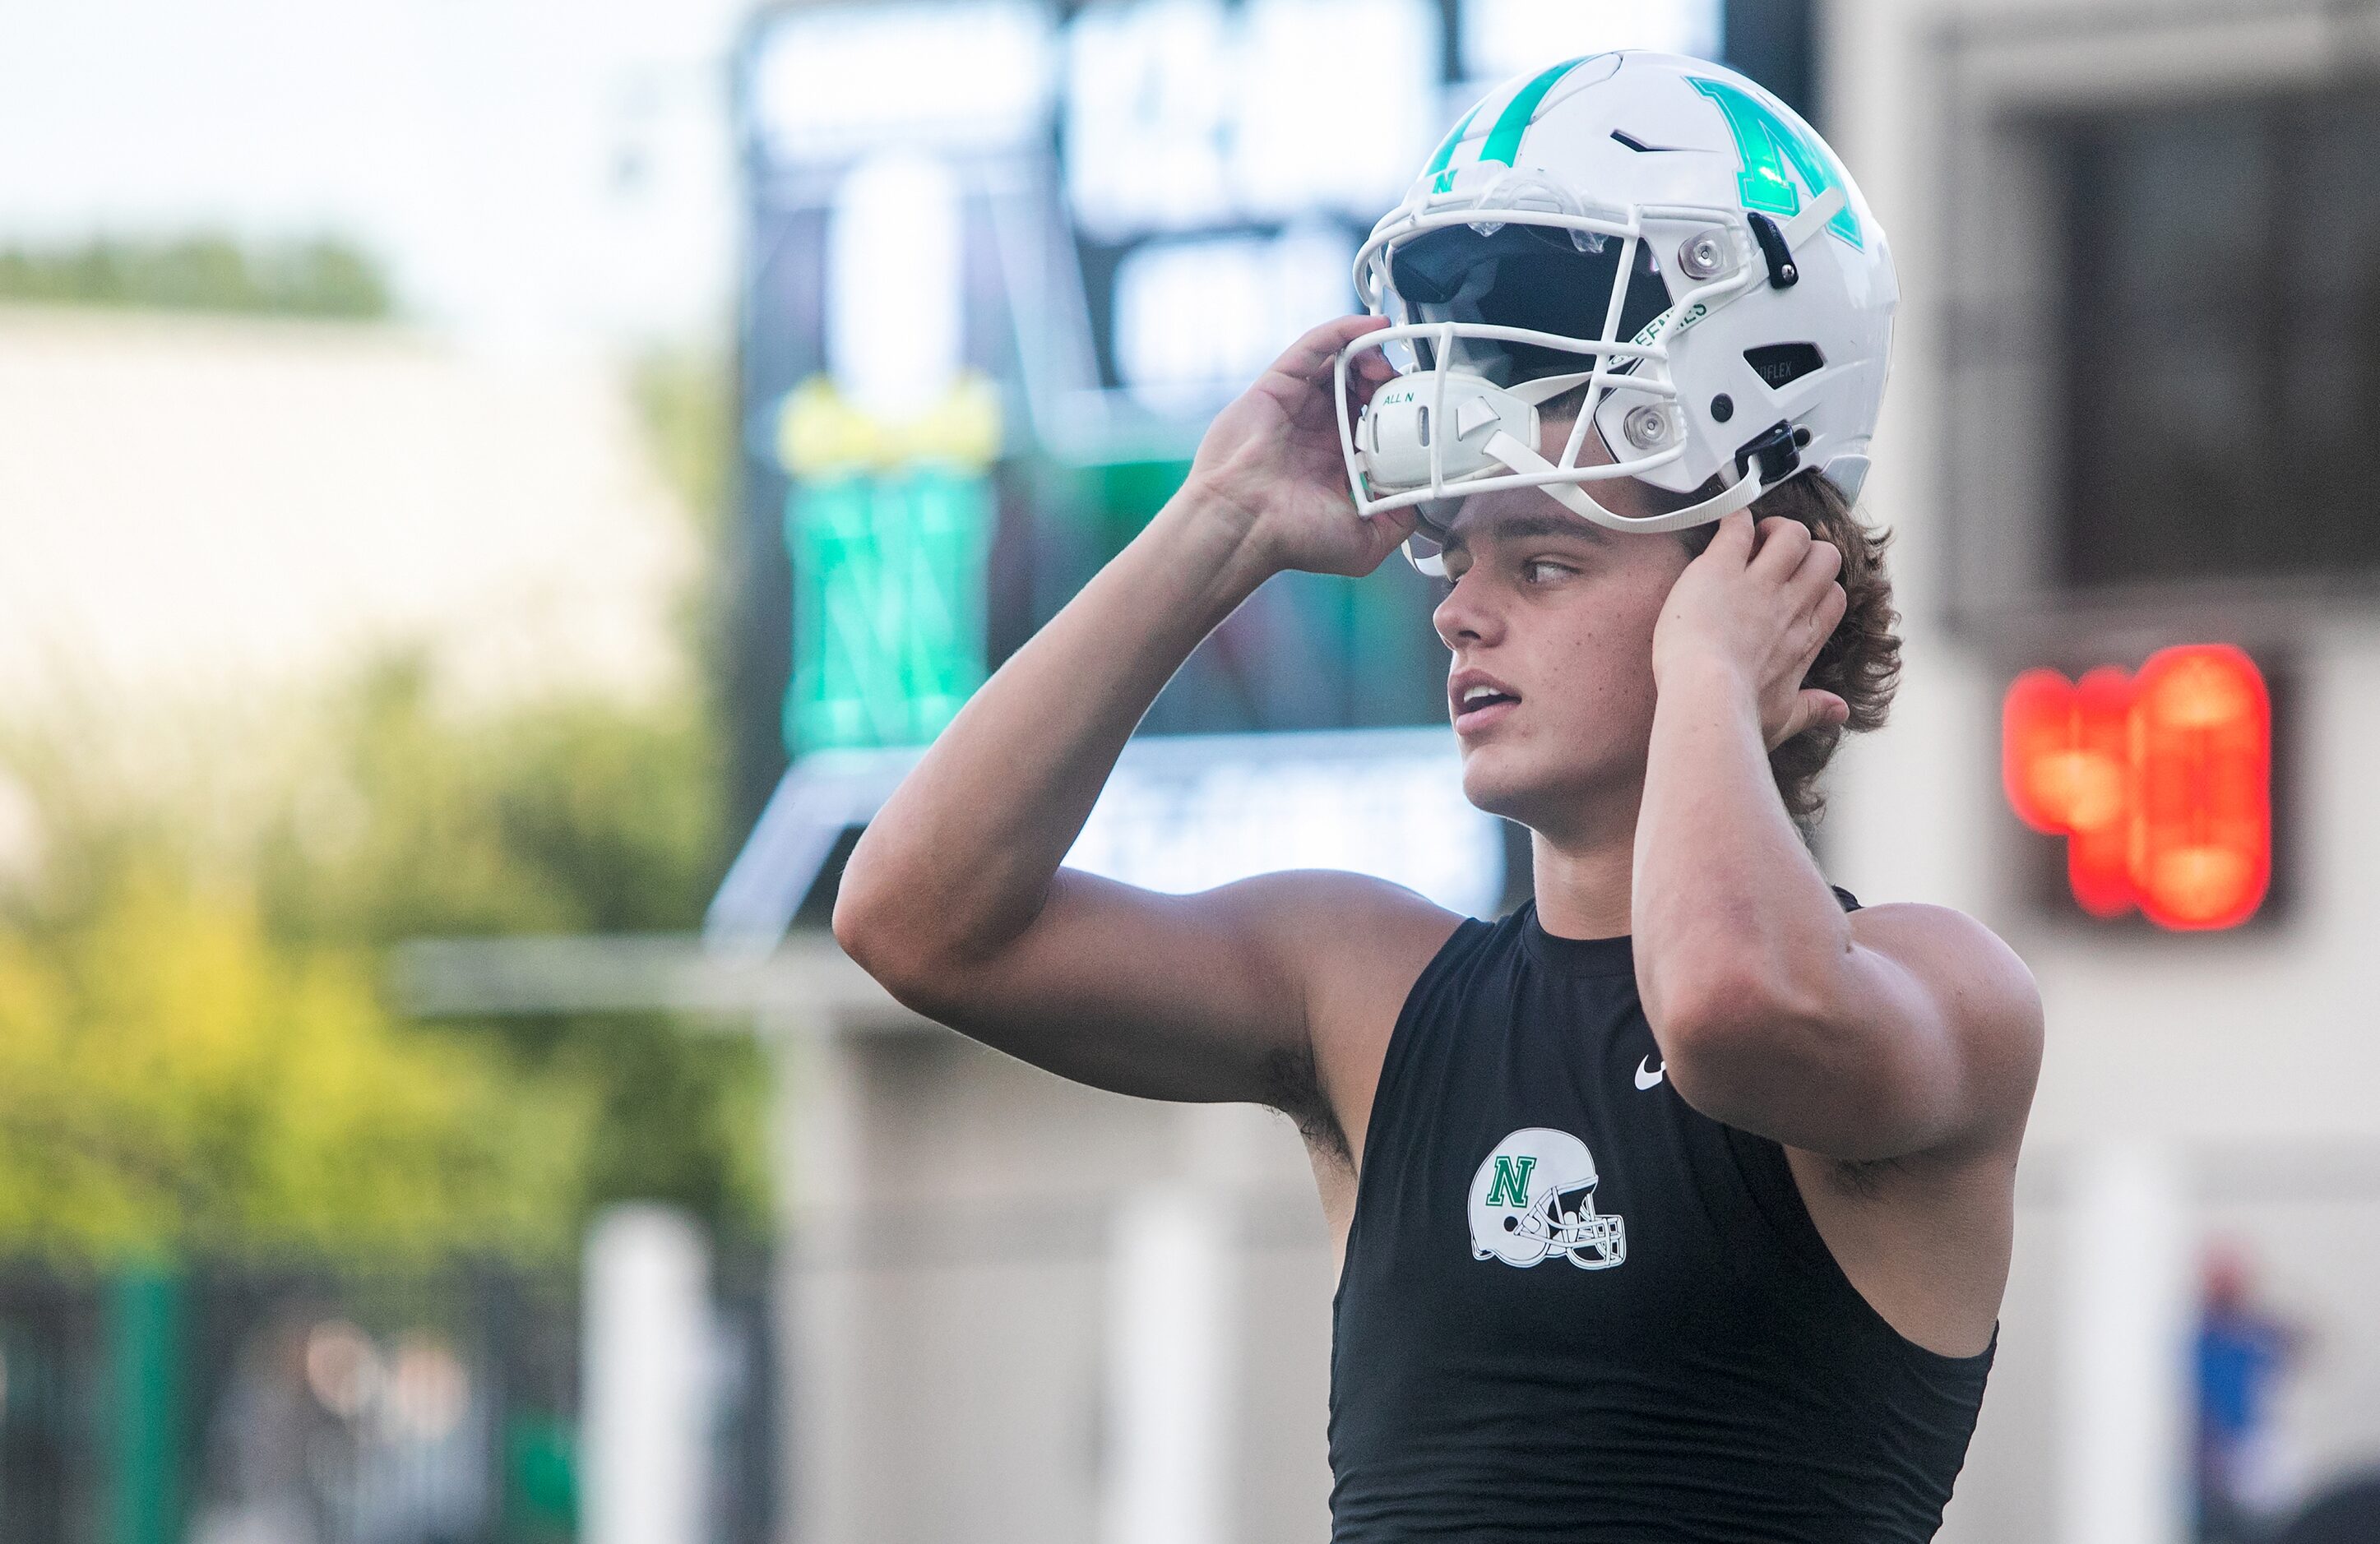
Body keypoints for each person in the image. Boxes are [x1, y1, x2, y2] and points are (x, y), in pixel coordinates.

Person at [835, 50, 2043, 1542]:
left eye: (1541, 561)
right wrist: (1217, 526)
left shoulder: (1940, 992)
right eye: (1456, 556)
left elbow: (1727, 1005)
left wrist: (1713, 691)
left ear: (1755, 582)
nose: (1460, 612)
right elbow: (914, 918)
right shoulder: (1367, 987)